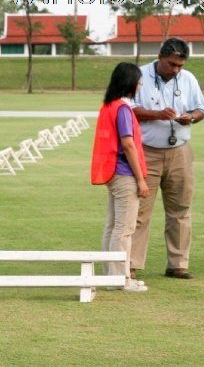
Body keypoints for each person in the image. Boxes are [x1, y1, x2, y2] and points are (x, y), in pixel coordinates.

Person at [130, 38, 204, 279]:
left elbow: (201, 109)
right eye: (171, 64)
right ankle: (130, 265)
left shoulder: (189, 79)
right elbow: (128, 109)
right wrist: (157, 114)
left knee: (181, 209)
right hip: (147, 151)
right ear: (160, 57)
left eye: (180, 66)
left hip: (180, 152)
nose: (176, 70)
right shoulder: (138, 76)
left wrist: (191, 118)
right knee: (139, 211)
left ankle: (178, 264)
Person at [91, 62, 150, 292]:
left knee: (113, 226)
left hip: (112, 172)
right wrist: (141, 179)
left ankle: (112, 276)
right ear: (130, 83)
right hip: (124, 175)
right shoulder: (123, 109)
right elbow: (128, 144)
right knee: (124, 229)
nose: (140, 85)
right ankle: (120, 279)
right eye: (139, 81)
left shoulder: (109, 106)